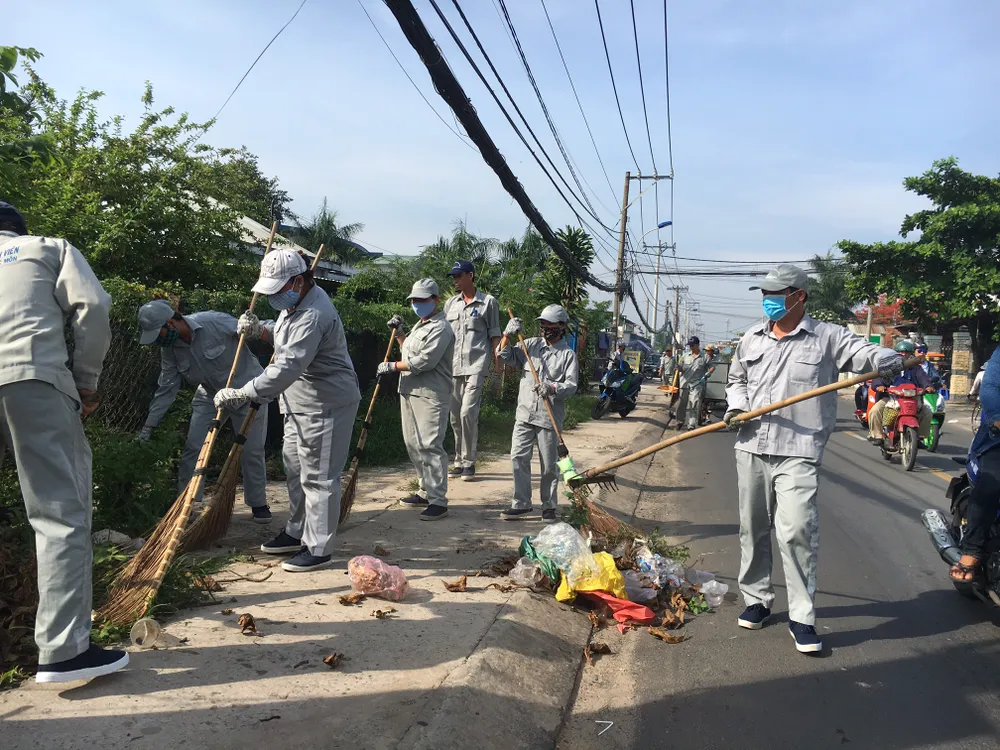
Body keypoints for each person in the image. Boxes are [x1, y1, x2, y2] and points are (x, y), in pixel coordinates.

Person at [724, 264, 900, 654]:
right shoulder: (751, 338)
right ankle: (756, 598)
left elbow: (863, 352)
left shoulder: (827, 337)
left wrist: (886, 357)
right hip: (751, 445)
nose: (768, 301)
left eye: (776, 294)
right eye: (765, 295)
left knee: (796, 530)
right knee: (752, 529)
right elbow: (736, 379)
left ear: (799, 296)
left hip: (798, 452)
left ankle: (801, 617)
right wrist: (736, 407)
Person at [0, 202, 128, 682]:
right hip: (31, 377)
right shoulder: (47, 249)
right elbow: (93, 306)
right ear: (17, 228)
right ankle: (64, 652)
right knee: (59, 514)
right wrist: (85, 381)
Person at [214, 249, 361, 572]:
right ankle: (296, 531)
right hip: (299, 402)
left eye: (277, 289)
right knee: (295, 468)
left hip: (327, 404)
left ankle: (319, 547)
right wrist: (261, 330)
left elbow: (287, 367)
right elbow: (283, 338)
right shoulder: (295, 303)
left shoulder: (314, 314)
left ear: (297, 281)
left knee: (320, 476)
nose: (273, 297)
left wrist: (243, 392)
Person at [137, 301, 271, 523]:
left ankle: (257, 503)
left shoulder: (212, 321)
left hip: (247, 392)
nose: (158, 340)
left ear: (170, 322)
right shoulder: (169, 350)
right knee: (194, 447)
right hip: (209, 395)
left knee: (250, 451)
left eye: (158, 333)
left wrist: (252, 329)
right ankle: (188, 503)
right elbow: (167, 388)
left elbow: (250, 329)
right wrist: (148, 426)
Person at [381, 278, 455, 520]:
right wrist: (401, 333)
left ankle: (438, 500)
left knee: (430, 445)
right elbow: (408, 352)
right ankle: (425, 491)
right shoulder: (420, 325)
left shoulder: (441, 328)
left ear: (435, 300)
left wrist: (392, 366)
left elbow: (425, 361)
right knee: (413, 445)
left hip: (432, 395)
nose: (417, 304)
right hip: (410, 391)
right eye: (414, 300)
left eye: (422, 300)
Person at [498, 304, 579, 522]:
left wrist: (552, 388)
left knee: (549, 465)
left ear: (561, 326)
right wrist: (507, 334)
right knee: (518, 458)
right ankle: (521, 503)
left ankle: (549, 506)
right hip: (524, 414)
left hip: (547, 417)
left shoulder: (567, 355)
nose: (545, 327)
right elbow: (503, 355)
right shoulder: (529, 345)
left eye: (550, 324)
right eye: (543, 323)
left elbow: (571, 386)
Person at [444, 260, 501, 482]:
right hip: (453, 367)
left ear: (471, 275)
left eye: (459, 276)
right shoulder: (451, 304)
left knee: (468, 412)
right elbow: (445, 336)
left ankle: (469, 462)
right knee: (455, 416)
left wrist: (498, 366)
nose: (455, 280)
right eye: (454, 277)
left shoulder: (488, 303)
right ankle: (458, 460)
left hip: (477, 365)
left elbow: (494, 334)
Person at [951, 345, 1000, 593]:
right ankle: (971, 549)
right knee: (993, 482)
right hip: (997, 439)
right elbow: (990, 389)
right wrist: (997, 417)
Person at [867, 340, 933, 446]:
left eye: (906, 353)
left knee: (927, 412)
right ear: (896, 353)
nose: (903, 354)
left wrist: (928, 386)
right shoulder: (889, 366)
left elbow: (923, 379)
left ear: (911, 354)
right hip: (891, 397)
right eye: (901, 352)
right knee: (875, 410)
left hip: (912, 398)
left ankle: (919, 437)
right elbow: (879, 377)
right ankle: (877, 435)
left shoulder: (916, 368)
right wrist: (879, 386)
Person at [675, 336, 712, 430]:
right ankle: (680, 421)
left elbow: (712, 366)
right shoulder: (685, 356)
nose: (691, 347)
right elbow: (680, 368)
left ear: (697, 345)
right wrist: (678, 367)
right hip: (684, 383)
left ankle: (691, 424)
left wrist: (708, 373)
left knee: (694, 403)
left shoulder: (705, 357)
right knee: (682, 404)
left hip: (696, 384)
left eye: (692, 345)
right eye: (690, 345)